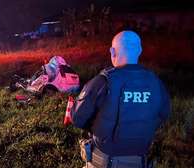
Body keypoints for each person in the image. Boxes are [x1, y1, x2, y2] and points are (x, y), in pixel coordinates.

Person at [70, 31, 170, 168]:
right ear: (140, 50)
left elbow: (77, 118)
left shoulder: (102, 82)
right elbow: (163, 115)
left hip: (103, 162)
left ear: (112, 51)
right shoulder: (156, 83)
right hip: (139, 162)